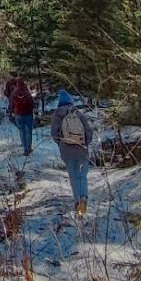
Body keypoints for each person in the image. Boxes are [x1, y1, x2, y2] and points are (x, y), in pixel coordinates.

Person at [50, 87, 93, 216]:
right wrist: (85, 143)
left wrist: (62, 144)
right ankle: (84, 198)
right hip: (81, 149)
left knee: (73, 177)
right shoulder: (78, 113)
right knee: (82, 175)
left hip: (67, 151)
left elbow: (54, 134)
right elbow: (88, 132)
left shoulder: (57, 115)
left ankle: (77, 202)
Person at [3, 74, 35, 156]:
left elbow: (11, 105)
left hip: (18, 115)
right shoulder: (27, 93)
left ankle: (25, 149)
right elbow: (32, 104)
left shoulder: (14, 93)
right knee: (29, 131)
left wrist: (11, 111)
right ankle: (29, 147)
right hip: (28, 114)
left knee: (22, 130)